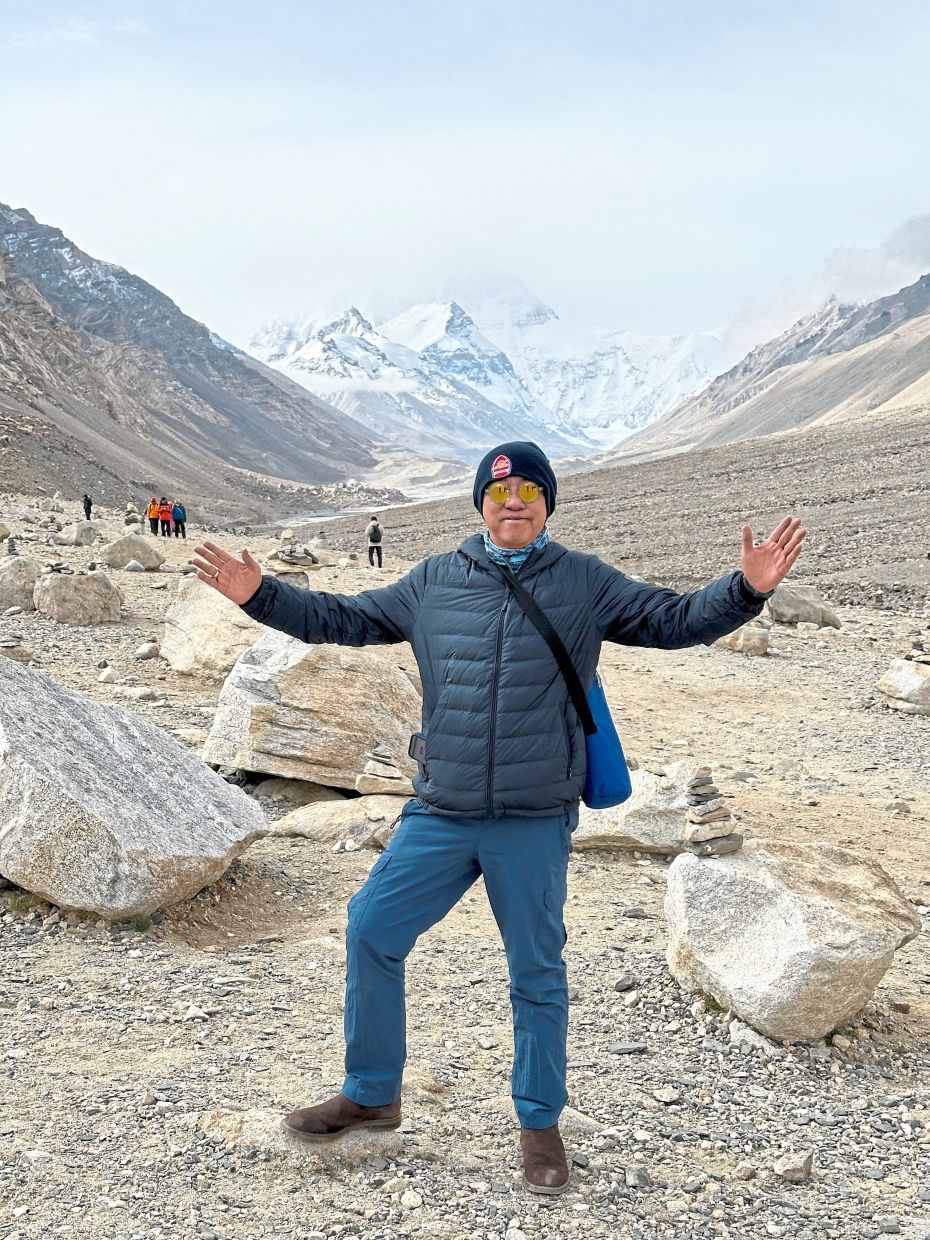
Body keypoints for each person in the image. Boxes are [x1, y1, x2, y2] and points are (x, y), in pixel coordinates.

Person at [192, 441, 807, 1196]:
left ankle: (540, 1123)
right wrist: (261, 594)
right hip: (441, 809)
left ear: (547, 504)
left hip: (532, 815)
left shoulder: (585, 582)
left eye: (529, 494)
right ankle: (371, 1093)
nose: (513, 504)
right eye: (499, 493)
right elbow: (341, 619)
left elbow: (671, 621)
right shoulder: (433, 580)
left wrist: (744, 592)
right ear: (481, 503)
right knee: (371, 929)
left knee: (535, 971)